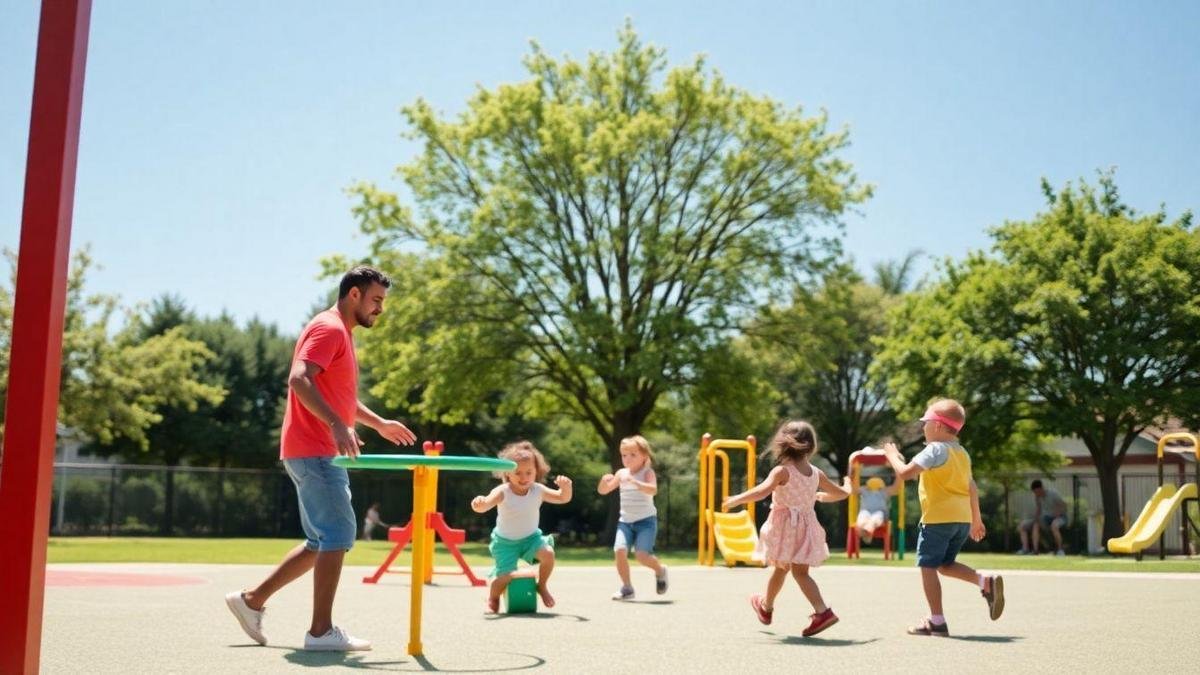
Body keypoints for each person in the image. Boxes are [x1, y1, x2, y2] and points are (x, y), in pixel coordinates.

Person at [225, 266, 417, 651]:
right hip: (315, 450)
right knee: (338, 535)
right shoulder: (330, 328)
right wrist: (334, 425)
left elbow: (339, 395)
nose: (380, 308)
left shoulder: (338, 332)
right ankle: (320, 632)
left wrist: (376, 423)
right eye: (376, 300)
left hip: (311, 449)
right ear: (354, 296)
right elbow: (299, 379)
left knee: (320, 540)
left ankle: (251, 601)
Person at [883, 398, 1004, 637]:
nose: (923, 427)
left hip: (938, 519)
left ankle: (936, 621)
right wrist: (976, 520)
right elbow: (972, 487)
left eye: (925, 422)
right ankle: (984, 581)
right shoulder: (962, 453)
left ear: (937, 426)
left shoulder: (935, 449)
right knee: (944, 565)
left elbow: (906, 473)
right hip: (961, 519)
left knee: (927, 566)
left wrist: (892, 456)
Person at [722, 420, 850, 638]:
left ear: (783, 444)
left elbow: (762, 491)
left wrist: (737, 499)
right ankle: (807, 610)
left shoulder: (782, 471)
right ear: (811, 446)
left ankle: (773, 607)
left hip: (785, 528)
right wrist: (841, 488)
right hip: (806, 528)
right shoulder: (816, 473)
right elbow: (841, 494)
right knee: (797, 572)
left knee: (782, 567)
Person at [471, 441, 573, 613]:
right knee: (505, 577)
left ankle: (542, 586)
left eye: (529, 472)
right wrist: (478, 503)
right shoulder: (503, 491)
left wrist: (566, 488)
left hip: (530, 539)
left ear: (536, 472)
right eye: (518, 473)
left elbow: (563, 498)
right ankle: (493, 596)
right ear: (508, 474)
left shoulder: (538, 490)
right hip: (505, 543)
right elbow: (485, 504)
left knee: (548, 553)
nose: (524, 477)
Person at [597, 435, 668, 600]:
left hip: (646, 522)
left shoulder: (647, 472)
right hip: (625, 522)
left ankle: (660, 571)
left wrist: (636, 483)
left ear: (644, 456)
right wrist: (603, 481)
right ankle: (627, 588)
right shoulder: (621, 473)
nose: (627, 459)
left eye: (633, 455)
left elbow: (653, 490)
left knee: (642, 556)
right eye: (624, 455)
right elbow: (604, 490)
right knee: (619, 550)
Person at [1018, 479, 1068, 556]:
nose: (1036, 494)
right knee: (1023, 525)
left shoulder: (1053, 494)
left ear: (1041, 488)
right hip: (1045, 519)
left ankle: (1060, 550)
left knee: (1054, 525)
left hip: (1060, 517)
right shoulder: (1037, 497)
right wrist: (1035, 519)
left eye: (1037, 492)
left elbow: (1064, 505)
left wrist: (1057, 514)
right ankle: (1030, 550)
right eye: (1034, 492)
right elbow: (1039, 509)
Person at [845, 474, 900, 544]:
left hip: (879, 512)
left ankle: (867, 529)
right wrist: (849, 480)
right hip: (865, 511)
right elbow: (853, 490)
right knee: (863, 516)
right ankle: (864, 529)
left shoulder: (884, 490)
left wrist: (899, 476)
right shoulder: (864, 489)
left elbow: (895, 489)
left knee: (876, 517)